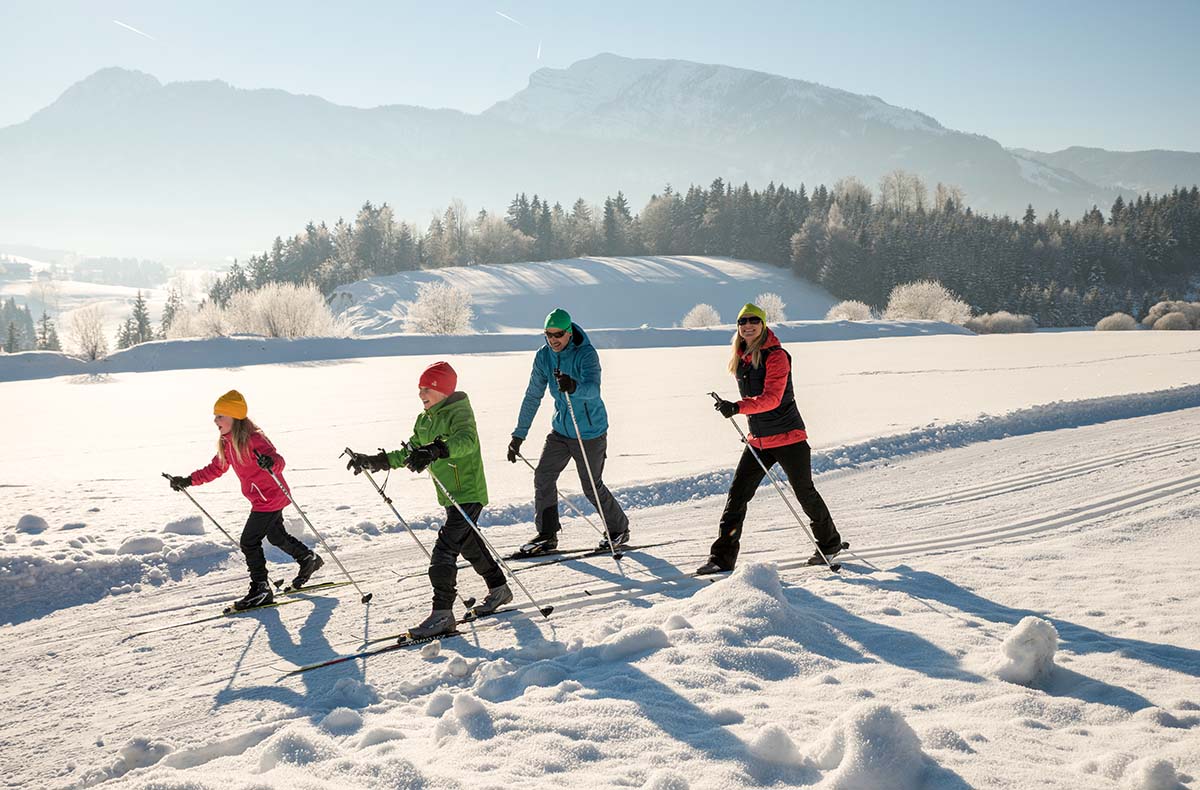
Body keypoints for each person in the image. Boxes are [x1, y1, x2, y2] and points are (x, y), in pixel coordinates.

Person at [346, 361, 511, 638]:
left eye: (427, 388)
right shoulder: (424, 419)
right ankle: (499, 589)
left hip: (468, 491)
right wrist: (376, 461)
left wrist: (436, 449)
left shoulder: (459, 414)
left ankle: (442, 614)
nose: (421, 393)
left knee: (445, 548)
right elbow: (410, 451)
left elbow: (466, 441)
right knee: (469, 546)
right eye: (419, 388)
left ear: (443, 390)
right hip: (449, 494)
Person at [697, 303, 844, 575]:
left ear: (763, 325)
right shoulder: (741, 358)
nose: (748, 325)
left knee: (804, 492)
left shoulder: (777, 356)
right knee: (737, 496)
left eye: (754, 320)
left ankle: (830, 543)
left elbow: (773, 399)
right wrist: (735, 408)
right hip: (759, 440)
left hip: (789, 437)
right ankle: (721, 559)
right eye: (743, 321)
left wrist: (738, 407)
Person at [167, 390, 323, 610]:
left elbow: (278, 460)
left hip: (270, 497)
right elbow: (216, 468)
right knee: (276, 536)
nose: (215, 420)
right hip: (262, 497)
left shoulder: (254, 438)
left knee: (249, 541)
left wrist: (270, 462)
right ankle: (308, 558)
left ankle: (261, 589)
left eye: (220, 415)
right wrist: (189, 480)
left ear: (234, 417)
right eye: (215, 415)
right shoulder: (227, 442)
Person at [506, 308, 629, 555]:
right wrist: (519, 435)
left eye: (558, 334)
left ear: (569, 332)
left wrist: (574, 386)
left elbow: (593, 390)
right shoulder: (544, 356)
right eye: (548, 334)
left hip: (590, 432)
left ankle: (619, 528)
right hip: (561, 430)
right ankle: (547, 535)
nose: (553, 340)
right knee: (543, 476)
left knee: (591, 486)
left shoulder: (586, 354)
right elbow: (533, 395)